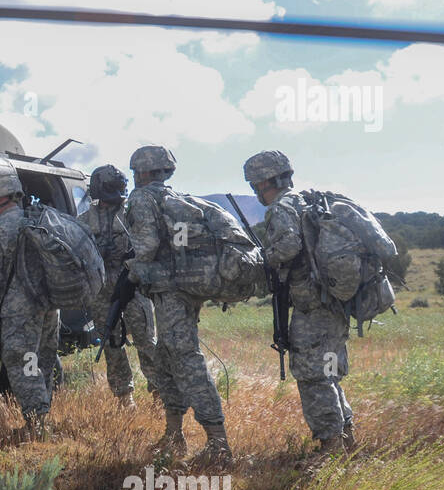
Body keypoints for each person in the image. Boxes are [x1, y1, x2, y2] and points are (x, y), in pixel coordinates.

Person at [124, 145, 232, 467]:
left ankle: (218, 443)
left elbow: (146, 246)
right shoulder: (177, 197)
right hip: (181, 290)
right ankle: (174, 435)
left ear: (141, 171)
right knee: (165, 357)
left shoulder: (143, 198)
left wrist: (127, 262)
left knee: (185, 360)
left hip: (169, 293)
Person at [244, 150, 355, 456]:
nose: (256, 191)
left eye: (257, 185)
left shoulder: (283, 206)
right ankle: (347, 440)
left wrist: (261, 257)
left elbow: (288, 246)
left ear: (268, 181)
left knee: (312, 377)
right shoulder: (308, 201)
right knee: (327, 373)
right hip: (332, 302)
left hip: (311, 306)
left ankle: (331, 449)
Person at [0, 167, 60, 428]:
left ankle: (37, 424)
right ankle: (43, 412)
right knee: (41, 360)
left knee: (23, 360)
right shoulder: (36, 220)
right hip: (49, 306)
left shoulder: (1, 227)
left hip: (20, 310)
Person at [80, 164, 165, 408]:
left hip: (133, 286)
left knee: (146, 340)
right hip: (101, 291)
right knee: (111, 343)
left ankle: (161, 393)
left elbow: (149, 245)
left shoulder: (132, 214)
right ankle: (124, 397)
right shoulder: (85, 219)